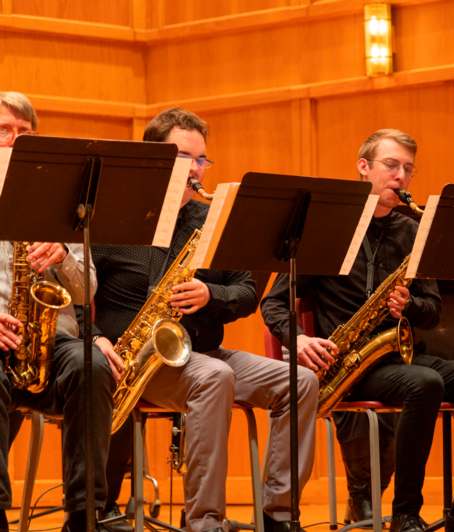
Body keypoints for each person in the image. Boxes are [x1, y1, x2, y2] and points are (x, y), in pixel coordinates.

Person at [262, 128, 454, 532]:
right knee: (425, 383)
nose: (400, 176)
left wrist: (410, 306)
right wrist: (300, 339)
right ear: (364, 168)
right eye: (391, 165)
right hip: (349, 365)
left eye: (408, 169)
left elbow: (432, 310)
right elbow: (272, 302)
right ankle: (405, 512)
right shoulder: (326, 228)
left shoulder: (412, 232)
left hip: (401, 356)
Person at [92, 108, 318, 532]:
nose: (195, 170)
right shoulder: (114, 219)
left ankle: (279, 513)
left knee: (300, 381)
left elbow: (248, 294)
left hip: (202, 351)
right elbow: (77, 291)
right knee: (213, 377)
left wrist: (211, 294)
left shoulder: (211, 222)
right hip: (135, 361)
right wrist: (96, 339)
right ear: (154, 160)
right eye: (184, 157)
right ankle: (205, 521)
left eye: (201, 160)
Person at [0, 91, 114, 531]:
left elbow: (86, 291)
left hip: (50, 341)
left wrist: (65, 254)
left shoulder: (59, 204)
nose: (15, 141)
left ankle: (85, 514)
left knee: (92, 365)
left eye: (25, 133)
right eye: (4, 131)